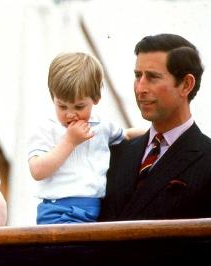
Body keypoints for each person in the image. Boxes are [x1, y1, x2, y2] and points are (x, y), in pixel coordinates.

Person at [99, 33, 211, 221]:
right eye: (138, 76)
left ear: (186, 85)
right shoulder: (115, 154)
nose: (140, 88)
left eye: (152, 77)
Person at [28, 52, 144, 225]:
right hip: (59, 211)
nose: (70, 114)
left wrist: (156, 131)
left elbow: (125, 134)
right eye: (62, 106)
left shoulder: (102, 125)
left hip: (95, 210)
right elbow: (37, 171)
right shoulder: (48, 128)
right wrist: (69, 141)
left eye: (79, 106)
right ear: (52, 96)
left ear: (96, 98)